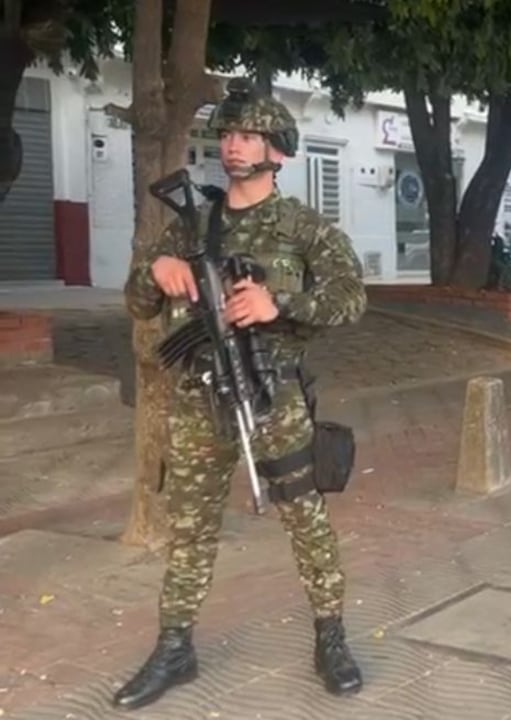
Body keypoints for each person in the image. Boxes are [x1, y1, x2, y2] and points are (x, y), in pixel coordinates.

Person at [113, 77, 366, 711]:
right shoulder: (193, 222)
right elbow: (137, 301)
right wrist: (156, 271)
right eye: (227, 134)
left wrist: (279, 302)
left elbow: (350, 298)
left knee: (305, 519)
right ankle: (175, 647)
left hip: (271, 397)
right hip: (199, 401)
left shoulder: (304, 228)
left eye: (248, 135)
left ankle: (330, 636)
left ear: (277, 150)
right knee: (190, 525)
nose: (233, 145)